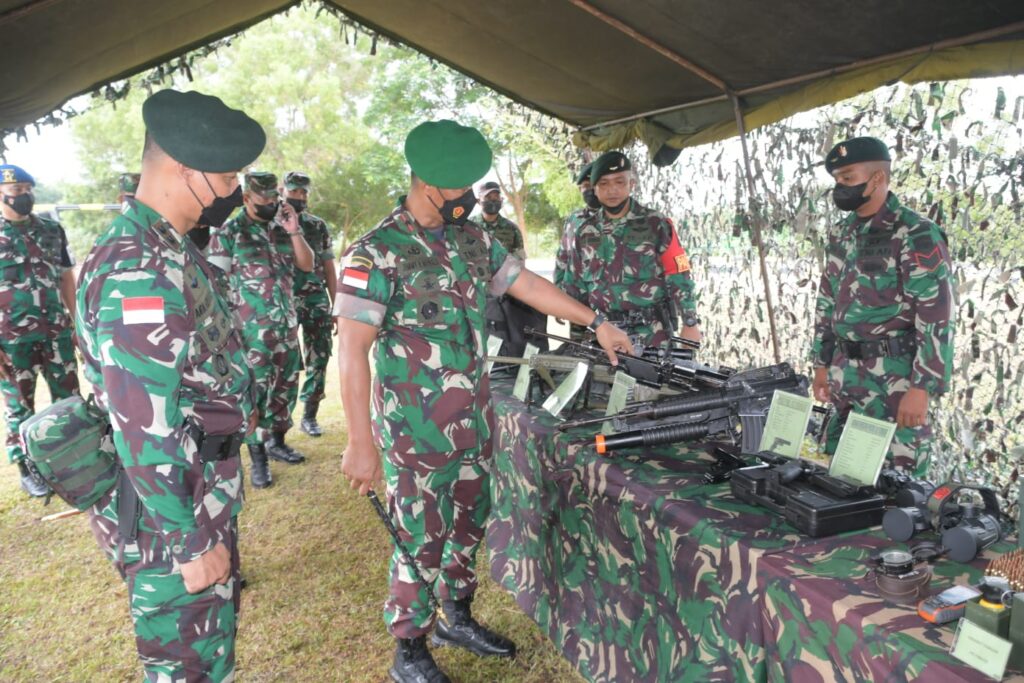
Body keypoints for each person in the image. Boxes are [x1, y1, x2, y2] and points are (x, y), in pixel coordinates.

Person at [335, 119, 633, 683]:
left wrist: (596, 321)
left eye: (473, 186)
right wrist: (358, 442)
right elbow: (352, 353)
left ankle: (457, 616)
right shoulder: (375, 253)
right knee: (420, 536)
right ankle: (411, 648)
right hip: (415, 430)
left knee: (470, 519)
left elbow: (526, 285)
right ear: (424, 182)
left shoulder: (472, 239)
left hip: (475, 419)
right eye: (458, 189)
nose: (468, 198)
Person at [76, 88, 262, 681]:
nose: (234, 191)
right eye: (227, 176)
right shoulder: (139, 267)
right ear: (186, 171)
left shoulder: (165, 247)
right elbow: (142, 419)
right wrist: (188, 541)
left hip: (191, 492)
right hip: (168, 514)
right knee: (190, 669)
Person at [811, 136, 953, 476]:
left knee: (898, 480)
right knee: (839, 472)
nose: (840, 187)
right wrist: (821, 362)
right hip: (844, 374)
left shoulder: (915, 232)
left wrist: (922, 387)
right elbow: (827, 302)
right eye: (836, 180)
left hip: (895, 378)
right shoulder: (841, 233)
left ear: (877, 178)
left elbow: (935, 315)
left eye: (847, 177)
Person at [208, 171, 313, 488]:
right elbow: (214, 285)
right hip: (250, 336)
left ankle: (277, 443)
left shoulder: (283, 227)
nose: (271, 203)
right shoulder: (229, 234)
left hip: (285, 330)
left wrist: (294, 231)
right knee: (255, 396)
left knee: (284, 390)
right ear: (246, 198)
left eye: (274, 197)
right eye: (264, 198)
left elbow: (307, 264)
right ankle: (258, 461)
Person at [0, 163, 80, 497]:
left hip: (56, 333)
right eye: (16, 191)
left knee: (69, 400)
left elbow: (65, 277)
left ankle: (73, 462)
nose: (23, 197)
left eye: (27, 190)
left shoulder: (51, 230)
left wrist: (76, 323)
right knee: (20, 406)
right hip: (11, 339)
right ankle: (28, 469)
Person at [565, 150, 700, 348]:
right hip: (605, 333)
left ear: (632, 184)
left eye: (620, 182)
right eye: (604, 183)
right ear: (594, 189)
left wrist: (690, 322)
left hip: (652, 334)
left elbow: (679, 272)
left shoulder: (656, 223)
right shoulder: (585, 232)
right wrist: (576, 334)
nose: (612, 190)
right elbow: (575, 286)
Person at [281, 171, 336, 437]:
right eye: (294, 191)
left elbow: (328, 266)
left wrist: (336, 305)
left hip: (316, 301)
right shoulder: (272, 224)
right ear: (283, 191)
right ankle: (281, 422)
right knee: (288, 361)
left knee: (320, 356)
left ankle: (310, 416)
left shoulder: (318, 225)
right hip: (285, 302)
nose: (299, 196)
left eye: (304, 192)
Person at [475, 180, 545, 355]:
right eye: (488, 197)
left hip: (505, 295)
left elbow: (520, 263)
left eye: (496, 197)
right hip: (478, 294)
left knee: (507, 337)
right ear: (478, 201)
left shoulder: (511, 229)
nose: (493, 201)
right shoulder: (468, 227)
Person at [555, 161, 599, 339]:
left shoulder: (620, 220)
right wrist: (559, 298)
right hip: (579, 303)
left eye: (593, 185)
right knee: (580, 354)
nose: (590, 191)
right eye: (585, 186)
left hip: (612, 305)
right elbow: (562, 258)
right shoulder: (574, 219)